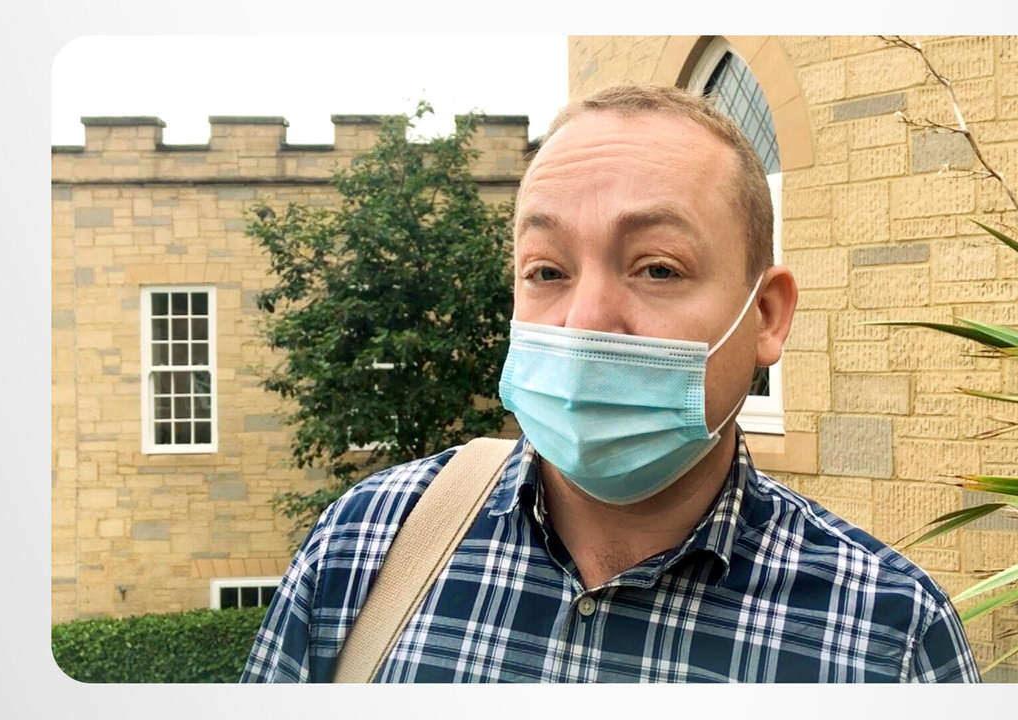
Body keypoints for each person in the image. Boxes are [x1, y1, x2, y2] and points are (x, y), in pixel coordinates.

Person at [241, 84, 980, 683]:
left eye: (657, 268)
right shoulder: (362, 548)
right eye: (547, 271)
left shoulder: (889, 637)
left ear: (765, 315)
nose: (585, 321)